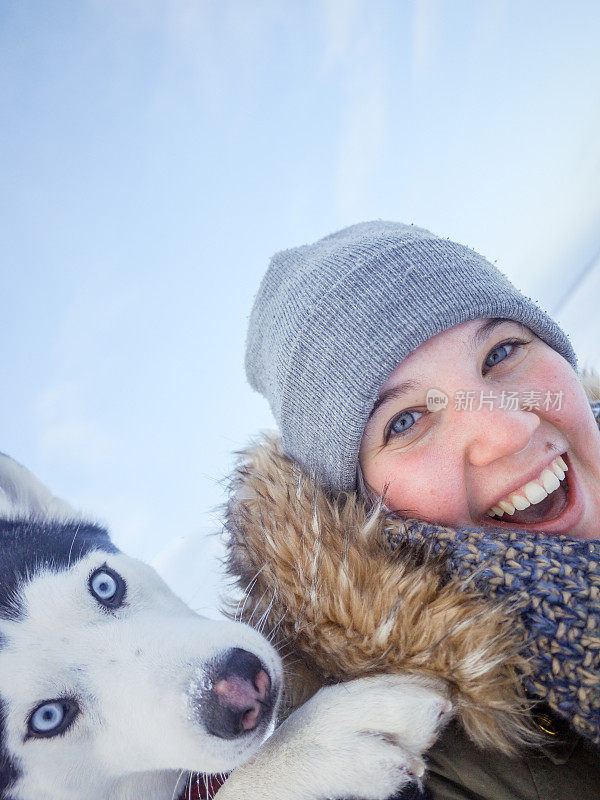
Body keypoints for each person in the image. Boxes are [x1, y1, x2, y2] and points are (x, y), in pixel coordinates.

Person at [223, 221, 600, 800]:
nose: (509, 429)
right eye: (406, 421)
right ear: (362, 509)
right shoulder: (415, 764)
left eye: (502, 351)